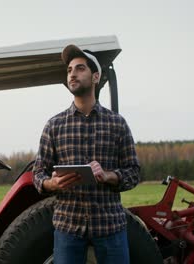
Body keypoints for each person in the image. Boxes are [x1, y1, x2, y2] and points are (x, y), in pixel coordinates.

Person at [32, 44, 141, 264]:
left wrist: (108, 176)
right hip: (67, 228)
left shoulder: (117, 124)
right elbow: (38, 174)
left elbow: (133, 173)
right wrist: (53, 184)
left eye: (80, 68)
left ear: (95, 77)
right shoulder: (54, 125)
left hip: (110, 226)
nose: (72, 74)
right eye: (69, 70)